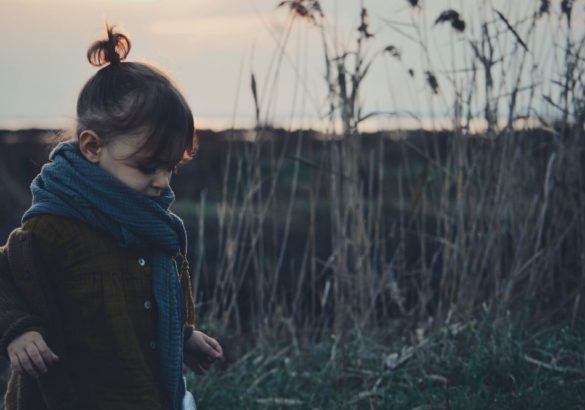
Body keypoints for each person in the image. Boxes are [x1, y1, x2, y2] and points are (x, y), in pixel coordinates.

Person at [0, 23, 222, 410]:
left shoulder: (152, 227)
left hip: (143, 393)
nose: (161, 182)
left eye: (170, 168)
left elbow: (156, 291)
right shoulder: (55, 225)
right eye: (148, 166)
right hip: (72, 396)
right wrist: (19, 332)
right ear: (91, 146)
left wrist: (182, 334)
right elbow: (6, 276)